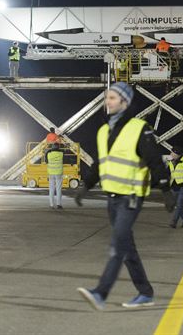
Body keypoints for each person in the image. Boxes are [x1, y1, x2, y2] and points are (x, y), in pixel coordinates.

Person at [75, 82, 174, 310]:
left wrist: (166, 189)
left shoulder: (140, 128)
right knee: (127, 248)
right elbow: (99, 163)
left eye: (112, 97)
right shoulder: (103, 131)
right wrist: (85, 186)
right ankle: (145, 292)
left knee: (118, 245)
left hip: (130, 196)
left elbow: (154, 160)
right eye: (106, 97)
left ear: (124, 102)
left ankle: (100, 293)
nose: (107, 101)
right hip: (112, 197)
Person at [45, 143, 64, 209]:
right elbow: (63, 151)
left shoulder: (49, 154)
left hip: (51, 173)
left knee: (51, 189)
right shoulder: (61, 154)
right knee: (58, 189)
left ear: (52, 147)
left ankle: (51, 205)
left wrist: (49, 150)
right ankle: (59, 204)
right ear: (58, 147)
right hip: (59, 173)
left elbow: (46, 161)